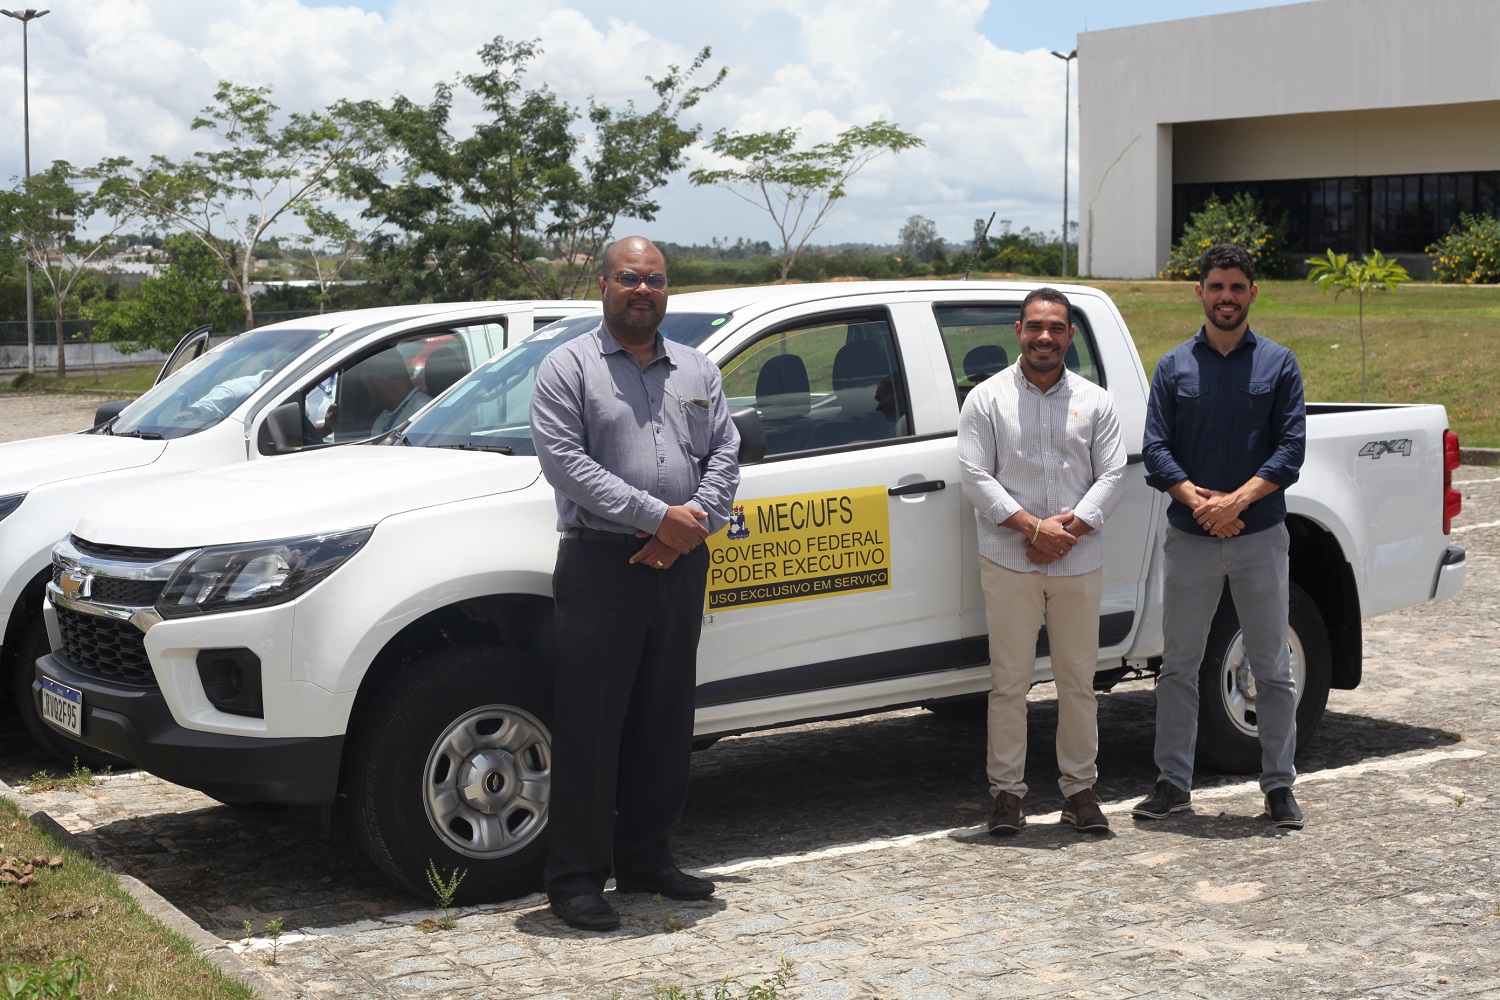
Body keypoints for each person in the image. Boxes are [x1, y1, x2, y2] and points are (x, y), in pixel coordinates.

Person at [530, 236, 741, 932]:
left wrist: (693, 524)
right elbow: (567, 464)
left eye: (654, 280)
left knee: (664, 717)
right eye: (629, 278)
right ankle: (577, 878)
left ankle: (646, 856)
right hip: (602, 565)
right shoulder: (568, 369)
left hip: (681, 565)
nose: (642, 290)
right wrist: (661, 519)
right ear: (605, 284)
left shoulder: (696, 369)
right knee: (593, 724)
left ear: (667, 288)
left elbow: (725, 454)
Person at [1135, 243, 1308, 830]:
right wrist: (1199, 502)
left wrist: (1236, 502)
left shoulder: (1280, 364)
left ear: (1252, 293)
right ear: (1200, 293)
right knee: (1179, 665)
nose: (1226, 297)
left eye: (1237, 287)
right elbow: (1155, 449)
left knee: (1272, 665)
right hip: (1191, 537)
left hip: (1259, 534)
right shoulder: (1172, 367)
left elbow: (1290, 451)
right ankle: (1171, 783)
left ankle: (1280, 786)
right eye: (1216, 287)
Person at [957, 287, 1126, 836]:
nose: (1045, 337)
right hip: (1010, 560)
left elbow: (1113, 475)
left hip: (1078, 560)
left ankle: (1080, 791)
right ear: (1019, 332)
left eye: (1056, 327)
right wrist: (1033, 528)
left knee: (1078, 681)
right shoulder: (986, 399)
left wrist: (1067, 530)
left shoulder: (1096, 402)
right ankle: (1006, 794)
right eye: (1035, 326)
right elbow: (975, 477)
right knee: (1010, 683)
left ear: (1071, 334)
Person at [363, 349, 430, 435]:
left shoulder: (423, 412)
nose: (370, 394)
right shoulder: (383, 417)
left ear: (378, 380)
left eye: (368, 386)